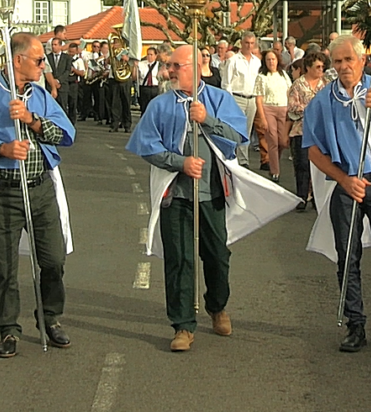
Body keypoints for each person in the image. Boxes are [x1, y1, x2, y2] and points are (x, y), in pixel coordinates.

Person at [126, 45, 298, 352]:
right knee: (180, 259)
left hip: (212, 192)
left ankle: (217, 306)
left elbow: (238, 137)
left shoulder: (219, 99)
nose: (171, 71)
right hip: (175, 195)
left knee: (217, 255)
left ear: (196, 66)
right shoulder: (160, 105)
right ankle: (182, 325)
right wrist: (180, 163)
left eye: (177, 65)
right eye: (170, 66)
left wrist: (206, 120)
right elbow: (146, 146)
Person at [0, 32, 76, 358]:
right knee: (4, 267)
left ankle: (49, 317)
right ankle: (7, 328)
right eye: (38, 60)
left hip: (40, 189)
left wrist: (32, 121)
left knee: (53, 259)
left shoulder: (39, 95)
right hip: (4, 193)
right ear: (17, 60)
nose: (43, 65)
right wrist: (2, 149)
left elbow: (66, 134)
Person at [302, 35, 371, 353]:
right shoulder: (323, 101)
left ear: (362, 60)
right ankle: (355, 323)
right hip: (346, 182)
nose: (343, 67)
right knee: (347, 256)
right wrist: (345, 180)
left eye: (348, 60)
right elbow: (312, 150)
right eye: (337, 62)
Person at [287, 51, 329, 210]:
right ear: (308, 68)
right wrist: (312, 109)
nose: (321, 70)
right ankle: (302, 196)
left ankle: (317, 198)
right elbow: (292, 107)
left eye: (322, 67)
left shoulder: (326, 84)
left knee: (320, 166)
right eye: (317, 67)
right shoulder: (298, 85)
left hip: (321, 132)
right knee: (302, 165)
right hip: (301, 131)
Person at [221, 31, 261, 168]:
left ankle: (243, 159)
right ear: (241, 43)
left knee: (247, 131)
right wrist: (230, 102)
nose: (249, 46)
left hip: (252, 99)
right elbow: (226, 83)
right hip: (237, 98)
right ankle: (234, 158)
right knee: (236, 129)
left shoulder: (257, 62)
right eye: (246, 43)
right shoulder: (233, 60)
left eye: (251, 43)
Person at [254, 49, 292, 182]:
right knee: (272, 140)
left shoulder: (284, 75)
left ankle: (274, 159)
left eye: (273, 59)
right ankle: (275, 171)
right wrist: (262, 117)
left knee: (282, 141)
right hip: (268, 108)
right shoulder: (262, 77)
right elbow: (259, 99)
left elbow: (289, 92)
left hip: (283, 108)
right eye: (268, 59)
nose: (271, 62)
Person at [136, 47, 160, 114]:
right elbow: (135, 77)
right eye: (148, 54)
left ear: (155, 56)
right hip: (144, 88)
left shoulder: (159, 65)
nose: (149, 56)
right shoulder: (141, 64)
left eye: (151, 54)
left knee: (154, 108)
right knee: (144, 109)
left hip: (155, 88)